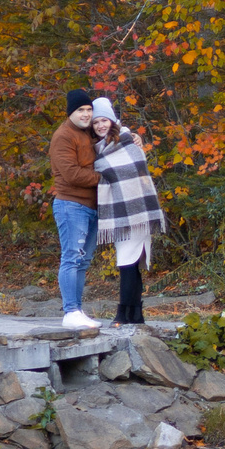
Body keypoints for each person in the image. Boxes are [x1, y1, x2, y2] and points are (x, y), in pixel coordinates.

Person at [88, 96, 167, 327]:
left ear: (112, 121)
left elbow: (136, 171)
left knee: (127, 262)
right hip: (122, 213)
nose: (100, 125)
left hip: (137, 212)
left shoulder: (127, 141)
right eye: (96, 122)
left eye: (104, 120)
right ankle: (136, 316)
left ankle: (124, 314)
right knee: (130, 263)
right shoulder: (100, 148)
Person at [49, 89, 101, 328]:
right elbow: (71, 174)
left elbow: (110, 128)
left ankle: (77, 312)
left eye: (89, 110)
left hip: (91, 207)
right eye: (81, 110)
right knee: (72, 258)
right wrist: (104, 178)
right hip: (71, 205)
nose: (86, 114)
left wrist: (133, 137)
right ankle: (70, 312)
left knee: (84, 261)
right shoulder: (63, 136)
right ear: (71, 112)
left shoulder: (87, 132)